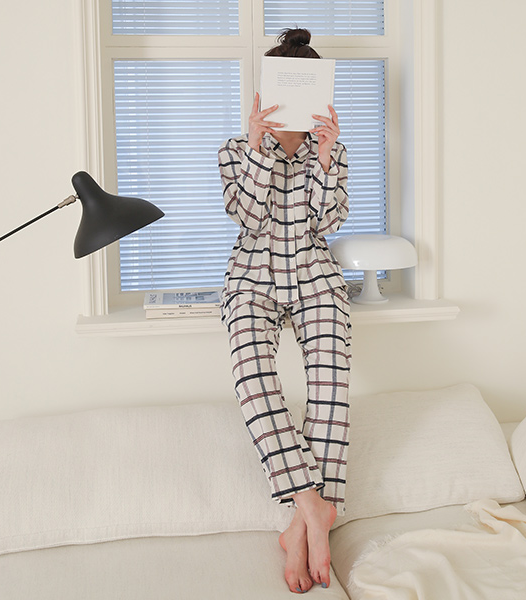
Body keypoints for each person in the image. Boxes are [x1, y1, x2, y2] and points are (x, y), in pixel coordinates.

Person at [217, 28, 352, 594]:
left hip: (315, 274)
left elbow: (328, 223)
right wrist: (257, 150)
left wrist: (324, 159)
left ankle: (299, 529)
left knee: (331, 383)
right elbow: (247, 218)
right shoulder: (235, 150)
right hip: (252, 277)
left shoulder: (331, 151)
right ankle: (315, 506)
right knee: (253, 380)